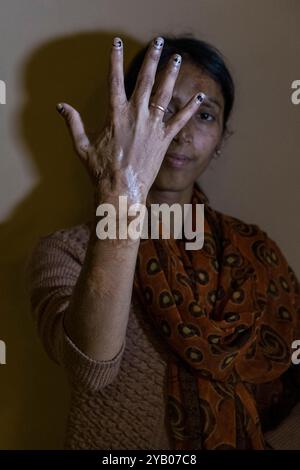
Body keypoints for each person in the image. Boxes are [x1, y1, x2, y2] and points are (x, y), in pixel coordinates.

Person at [28, 35, 300, 450]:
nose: (181, 132)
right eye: (163, 111)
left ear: (223, 138)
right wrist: (121, 197)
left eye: (204, 115)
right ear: (128, 123)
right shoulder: (69, 251)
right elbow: (91, 369)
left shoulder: (253, 251)